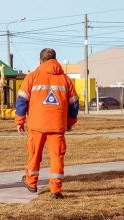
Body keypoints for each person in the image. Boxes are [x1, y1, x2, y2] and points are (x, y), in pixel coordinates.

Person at [15, 48, 79, 200]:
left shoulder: (32, 76)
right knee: (57, 157)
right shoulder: (65, 79)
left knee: (34, 154)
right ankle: (55, 190)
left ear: (40, 60)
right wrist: (69, 123)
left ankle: (31, 183)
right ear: (55, 60)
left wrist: (20, 121)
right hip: (57, 126)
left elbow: (21, 100)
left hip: (37, 125)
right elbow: (74, 104)